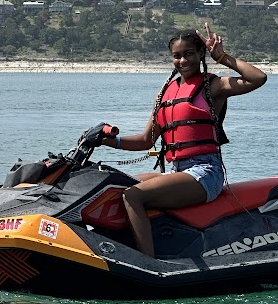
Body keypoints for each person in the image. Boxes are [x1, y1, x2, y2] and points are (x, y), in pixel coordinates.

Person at [100, 23, 267, 257]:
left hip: (205, 173)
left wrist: (222, 57)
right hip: (177, 171)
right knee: (114, 185)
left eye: (189, 54)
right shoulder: (164, 94)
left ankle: (147, 262)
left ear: (200, 54)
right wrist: (105, 141)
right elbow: (145, 140)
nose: (182, 61)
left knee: (133, 195)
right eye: (176, 56)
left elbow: (258, 78)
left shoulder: (213, 86)